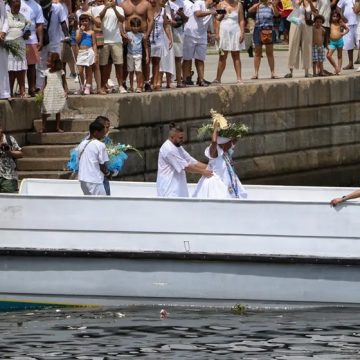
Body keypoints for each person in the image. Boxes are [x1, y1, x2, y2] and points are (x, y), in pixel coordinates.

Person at [156, 123, 213, 197]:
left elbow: (192, 161)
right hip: (169, 191)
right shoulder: (169, 149)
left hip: (178, 190)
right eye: (180, 138)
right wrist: (203, 172)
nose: (183, 140)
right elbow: (185, 167)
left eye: (183, 137)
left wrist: (210, 167)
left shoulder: (178, 147)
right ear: (172, 136)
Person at [193, 121, 247, 199]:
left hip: (227, 185)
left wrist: (235, 129)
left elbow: (236, 138)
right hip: (216, 188)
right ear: (223, 143)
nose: (232, 144)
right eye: (230, 142)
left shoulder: (226, 152)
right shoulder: (214, 153)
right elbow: (214, 142)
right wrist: (215, 128)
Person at [93, 0, 126, 94]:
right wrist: (105, 8)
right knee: (103, 65)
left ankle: (120, 85)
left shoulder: (119, 8)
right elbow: (98, 22)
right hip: (103, 40)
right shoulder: (98, 8)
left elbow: (122, 19)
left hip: (116, 40)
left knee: (119, 64)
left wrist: (115, 8)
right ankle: (103, 86)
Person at [182, 0, 218, 87]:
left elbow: (216, 19)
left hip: (202, 35)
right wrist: (210, 12)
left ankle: (201, 79)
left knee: (200, 59)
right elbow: (197, 14)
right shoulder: (199, 2)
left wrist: (222, 14)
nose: (214, 3)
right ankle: (185, 79)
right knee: (187, 58)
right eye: (213, 1)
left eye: (216, 2)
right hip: (190, 33)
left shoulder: (212, 9)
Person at [121, 0, 154, 92]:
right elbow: (120, 20)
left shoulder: (146, 4)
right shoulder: (124, 4)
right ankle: (124, 82)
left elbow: (151, 19)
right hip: (128, 36)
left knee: (145, 61)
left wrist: (147, 34)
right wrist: (122, 33)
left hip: (142, 35)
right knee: (125, 61)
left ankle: (146, 83)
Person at [213, 0, 245, 84]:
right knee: (222, 56)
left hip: (235, 32)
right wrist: (216, 33)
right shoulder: (221, 4)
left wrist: (242, 32)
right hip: (223, 33)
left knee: (236, 55)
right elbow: (217, 19)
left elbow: (241, 20)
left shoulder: (239, 4)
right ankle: (218, 78)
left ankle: (239, 78)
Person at [284, 0, 318, 78]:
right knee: (293, 44)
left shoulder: (312, 1)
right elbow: (296, 7)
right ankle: (290, 71)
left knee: (307, 46)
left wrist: (309, 3)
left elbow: (314, 11)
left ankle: (307, 71)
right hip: (295, 22)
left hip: (307, 24)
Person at [249, 0, 280, 79]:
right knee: (257, 52)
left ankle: (273, 73)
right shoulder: (258, 5)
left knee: (270, 53)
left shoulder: (271, 6)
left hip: (269, 29)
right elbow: (250, 10)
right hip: (258, 29)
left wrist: (273, 5)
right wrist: (259, 3)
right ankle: (256, 73)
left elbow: (277, 14)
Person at [78, 120, 110, 196]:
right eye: (102, 132)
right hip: (95, 180)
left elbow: (79, 159)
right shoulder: (100, 145)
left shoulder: (82, 144)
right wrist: (108, 173)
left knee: (89, 204)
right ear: (96, 132)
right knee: (102, 204)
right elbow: (102, 165)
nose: (103, 135)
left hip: (83, 180)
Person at [20, 0, 44, 96]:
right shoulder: (16, 2)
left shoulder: (37, 6)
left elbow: (39, 24)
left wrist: (40, 40)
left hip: (32, 39)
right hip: (18, 38)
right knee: (18, 66)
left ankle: (32, 88)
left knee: (31, 65)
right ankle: (21, 89)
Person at [40, 52, 68, 133]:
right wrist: (42, 91)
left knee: (58, 109)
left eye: (49, 62)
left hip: (58, 92)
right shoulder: (46, 72)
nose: (47, 63)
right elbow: (44, 83)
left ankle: (57, 127)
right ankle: (43, 127)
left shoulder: (61, 72)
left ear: (54, 63)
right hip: (48, 92)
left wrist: (66, 91)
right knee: (45, 109)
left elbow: (64, 82)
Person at [7, 0, 29, 98]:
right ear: (11, 5)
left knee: (21, 68)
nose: (18, 9)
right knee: (11, 69)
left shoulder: (22, 17)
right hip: (9, 46)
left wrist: (27, 34)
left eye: (19, 7)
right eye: (16, 7)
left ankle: (22, 90)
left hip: (21, 45)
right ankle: (9, 91)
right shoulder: (6, 16)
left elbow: (26, 29)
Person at [149, 0, 173, 91]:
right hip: (148, 39)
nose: (153, 1)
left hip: (159, 39)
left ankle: (156, 83)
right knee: (146, 63)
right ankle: (147, 82)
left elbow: (165, 25)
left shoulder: (163, 10)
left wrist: (169, 38)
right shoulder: (146, 9)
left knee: (156, 62)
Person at [76, 13, 97, 94]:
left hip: (89, 51)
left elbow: (94, 44)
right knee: (80, 71)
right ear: (80, 22)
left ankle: (88, 86)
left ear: (89, 22)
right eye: (82, 21)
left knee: (89, 70)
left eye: (86, 21)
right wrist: (81, 31)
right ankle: (82, 86)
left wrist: (96, 54)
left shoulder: (92, 32)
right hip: (81, 52)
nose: (84, 22)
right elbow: (77, 41)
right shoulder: (78, 31)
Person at [126, 16, 148, 92]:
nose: (136, 28)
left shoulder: (141, 35)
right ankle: (131, 87)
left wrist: (147, 55)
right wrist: (127, 40)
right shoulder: (128, 34)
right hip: (130, 54)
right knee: (131, 71)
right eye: (134, 26)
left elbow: (145, 45)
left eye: (137, 26)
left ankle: (139, 86)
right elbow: (124, 43)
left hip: (138, 55)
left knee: (138, 71)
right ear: (131, 26)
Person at [0, 126, 23, 193]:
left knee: (8, 194)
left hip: (9, 176)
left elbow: (21, 154)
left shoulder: (9, 139)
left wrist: (9, 152)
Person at [326, 10, 349, 74]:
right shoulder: (329, 23)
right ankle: (336, 67)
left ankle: (338, 69)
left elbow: (347, 29)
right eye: (334, 16)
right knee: (328, 55)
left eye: (336, 16)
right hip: (332, 42)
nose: (335, 18)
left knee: (339, 56)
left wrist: (343, 33)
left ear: (339, 17)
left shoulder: (340, 23)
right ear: (331, 16)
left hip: (339, 41)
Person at [337, 0, 358, 69]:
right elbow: (338, 7)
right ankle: (350, 63)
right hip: (348, 24)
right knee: (349, 44)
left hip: (358, 23)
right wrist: (341, 16)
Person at [0, 0, 10, 100]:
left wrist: (3, 32)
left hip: (1, 39)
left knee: (3, 66)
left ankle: (4, 93)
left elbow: (6, 20)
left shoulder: (2, 3)